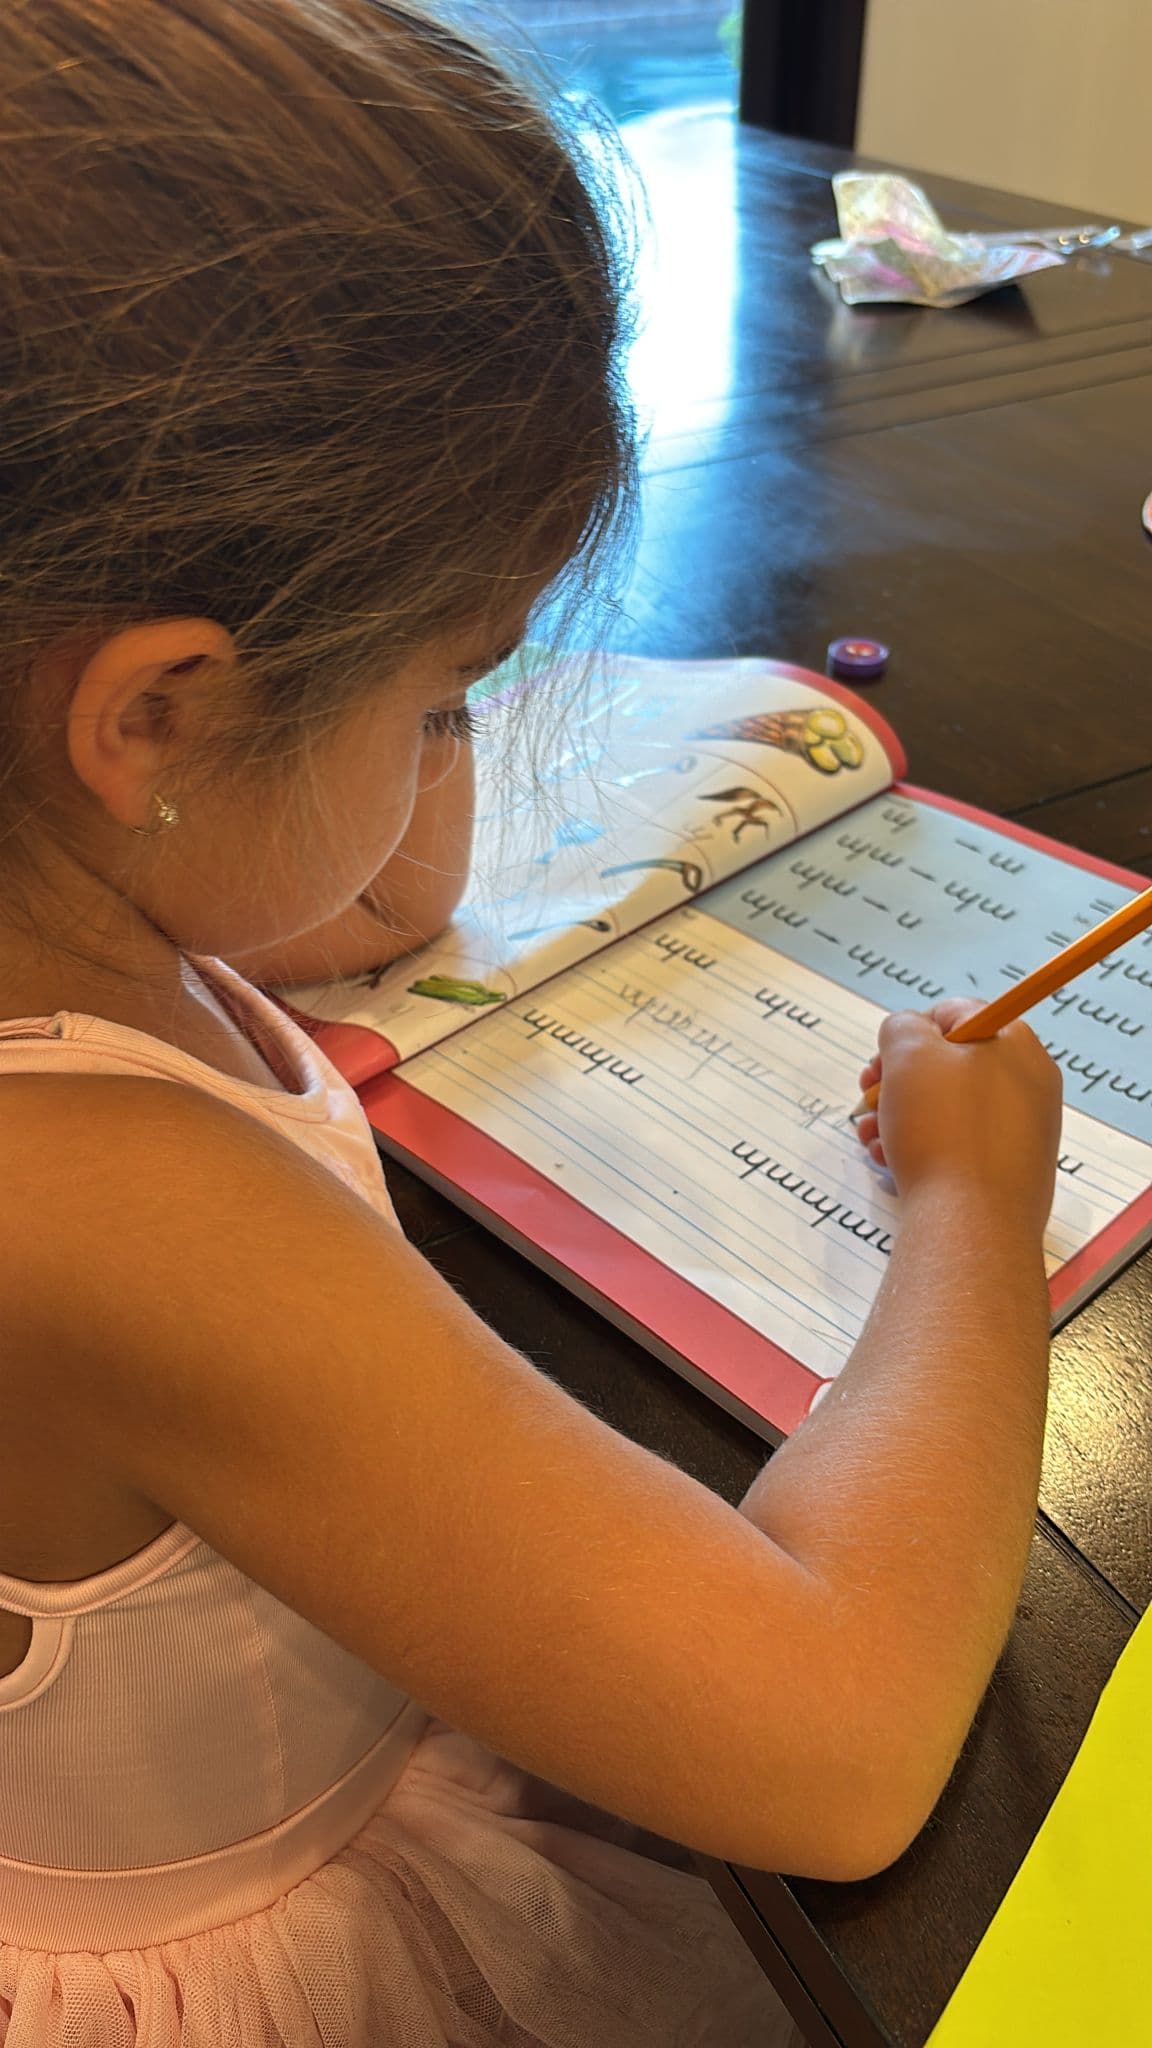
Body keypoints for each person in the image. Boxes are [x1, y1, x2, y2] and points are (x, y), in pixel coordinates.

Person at [0, 3, 1062, 2043]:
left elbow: (333, 900)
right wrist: (969, 1206)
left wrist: (338, 761)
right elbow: (831, 1740)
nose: (452, 751)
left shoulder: (66, 897)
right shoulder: (122, 1217)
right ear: (154, 719)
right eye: (442, 693)